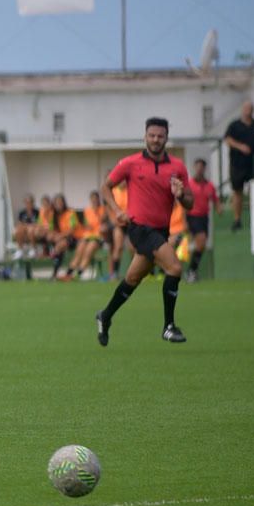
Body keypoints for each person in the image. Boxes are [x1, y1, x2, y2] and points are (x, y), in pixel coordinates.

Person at [95, 117, 194, 347]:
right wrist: (117, 210)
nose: (155, 140)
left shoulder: (177, 167)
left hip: (161, 230)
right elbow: (105, 187)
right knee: (175, 268)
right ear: (145, 136)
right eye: (152, 135)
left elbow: (189, 202)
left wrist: (180, 195)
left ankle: (105, 315)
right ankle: (168, 326)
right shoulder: (130, 163)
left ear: (166, 138)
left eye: (160, 136)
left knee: (132, 278)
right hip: (139, 229)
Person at [224, 101, 254, 231]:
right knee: (237, 191)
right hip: (238, 164)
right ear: (242, 109)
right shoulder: (234, 125)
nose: (248, 110)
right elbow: (228, 140)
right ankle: (237, 219)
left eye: (250, 108)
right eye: (246, 108)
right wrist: (240, 146)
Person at [185, 158, 219, 282]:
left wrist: (219, 208)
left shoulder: (210, 186)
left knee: (201, 245)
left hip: (204, 218)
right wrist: (184, 221)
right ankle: (190, 271)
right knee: (201, 240)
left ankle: (191, 271)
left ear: (204, 169)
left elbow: (215, 199)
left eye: (201, 167)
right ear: (194, 168)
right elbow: (183, 203)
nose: (199, 170)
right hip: (193, 217)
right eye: (197, 167)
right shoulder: (189, 184)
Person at [60, 191, 104, 281]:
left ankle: (79, 273)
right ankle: (68, 274)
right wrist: (86, 226)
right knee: (79, 251)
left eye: (96, 199)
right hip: (87, 235)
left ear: (98, 199)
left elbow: (103, 222)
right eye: (92, 199)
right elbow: (84, 224)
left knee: (88, 251)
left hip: (98, 236)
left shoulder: (103, 209)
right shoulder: (87, 210)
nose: (94, 201)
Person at [48, 194, 76, 279]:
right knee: (57, 244)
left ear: (64, 203)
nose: (59, 205)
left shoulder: (70, 213)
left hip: (72, 238)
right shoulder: (53, 215)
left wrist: (60, 236)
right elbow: (51, 229)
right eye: (57, 203)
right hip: (59, 239)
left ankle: (54, 273)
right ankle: (55, 273)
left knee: (60, 246)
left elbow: (72, 230)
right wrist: (54, 236)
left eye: (60, 202)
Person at [12, 194, 39, 260]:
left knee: (30, 229)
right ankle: (20, 250)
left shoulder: (37, 212)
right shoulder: (22, 212)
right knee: (18, 230)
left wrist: (28, 226)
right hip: (24, 230)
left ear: (33, 203)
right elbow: (19, 224)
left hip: (34, 230)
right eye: (27, 202)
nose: (28, 204)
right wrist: (26, 226)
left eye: (30, 202)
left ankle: (33, 249)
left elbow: (38, 223)